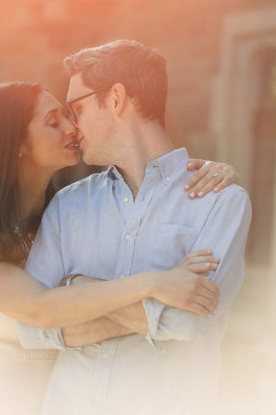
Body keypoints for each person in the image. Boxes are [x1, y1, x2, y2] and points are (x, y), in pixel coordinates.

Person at [0, 80, 240, 415]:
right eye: (54, 123)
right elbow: (39, 310)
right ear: (15, 143)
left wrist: (193, 176)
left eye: (70, 116)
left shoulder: (69, 218)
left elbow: (97, 314)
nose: (72, 128)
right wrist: (156, 285)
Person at [17, 40, 252, 414]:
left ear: (115, 98)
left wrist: (77, 292)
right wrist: (153, 297)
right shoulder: (67, 205)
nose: (73, 128)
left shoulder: (220, 201)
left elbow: (189, 322)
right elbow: (31, 327)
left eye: (77, 108)